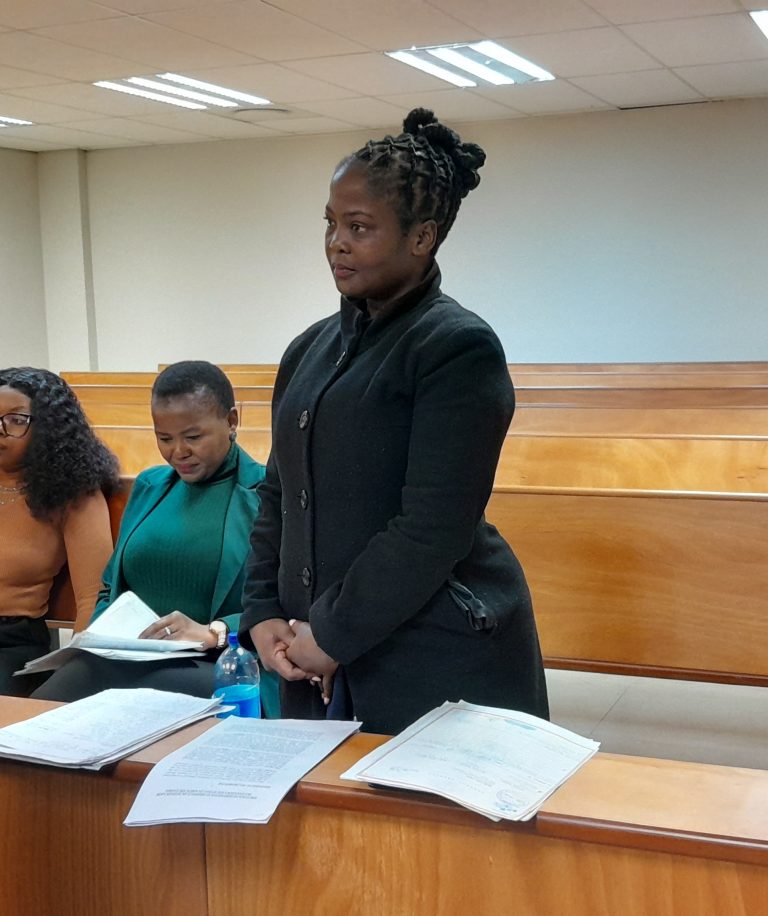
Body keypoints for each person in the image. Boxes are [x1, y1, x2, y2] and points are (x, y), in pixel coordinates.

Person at [240, 109, 549, 735]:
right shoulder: (307, 350)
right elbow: (278, 492)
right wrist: (262, 608)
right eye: (330, 223)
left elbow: (432, 528)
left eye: (359, 227)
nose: (336, 242)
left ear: (422, 237)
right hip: (311, 655)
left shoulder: (455, 347)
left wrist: (331, 632)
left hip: (431, 655)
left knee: (410, 804)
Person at [33, 361, 279, 716]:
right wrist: (98, 639)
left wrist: (214, 631)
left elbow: (287, 602)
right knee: (33, 719)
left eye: (193, 437)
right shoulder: (150, 486)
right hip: (125, 659)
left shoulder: (266, 493)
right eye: (164, 438)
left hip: (220, 663)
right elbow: (110, 586)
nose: (178, 451)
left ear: (231, 421)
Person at [0, 367, 118, 696]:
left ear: (48, 427)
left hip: (11, 643)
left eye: (16, 420)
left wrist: (75, 672)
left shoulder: (72, 492)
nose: (1, 431)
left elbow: (93, 596)